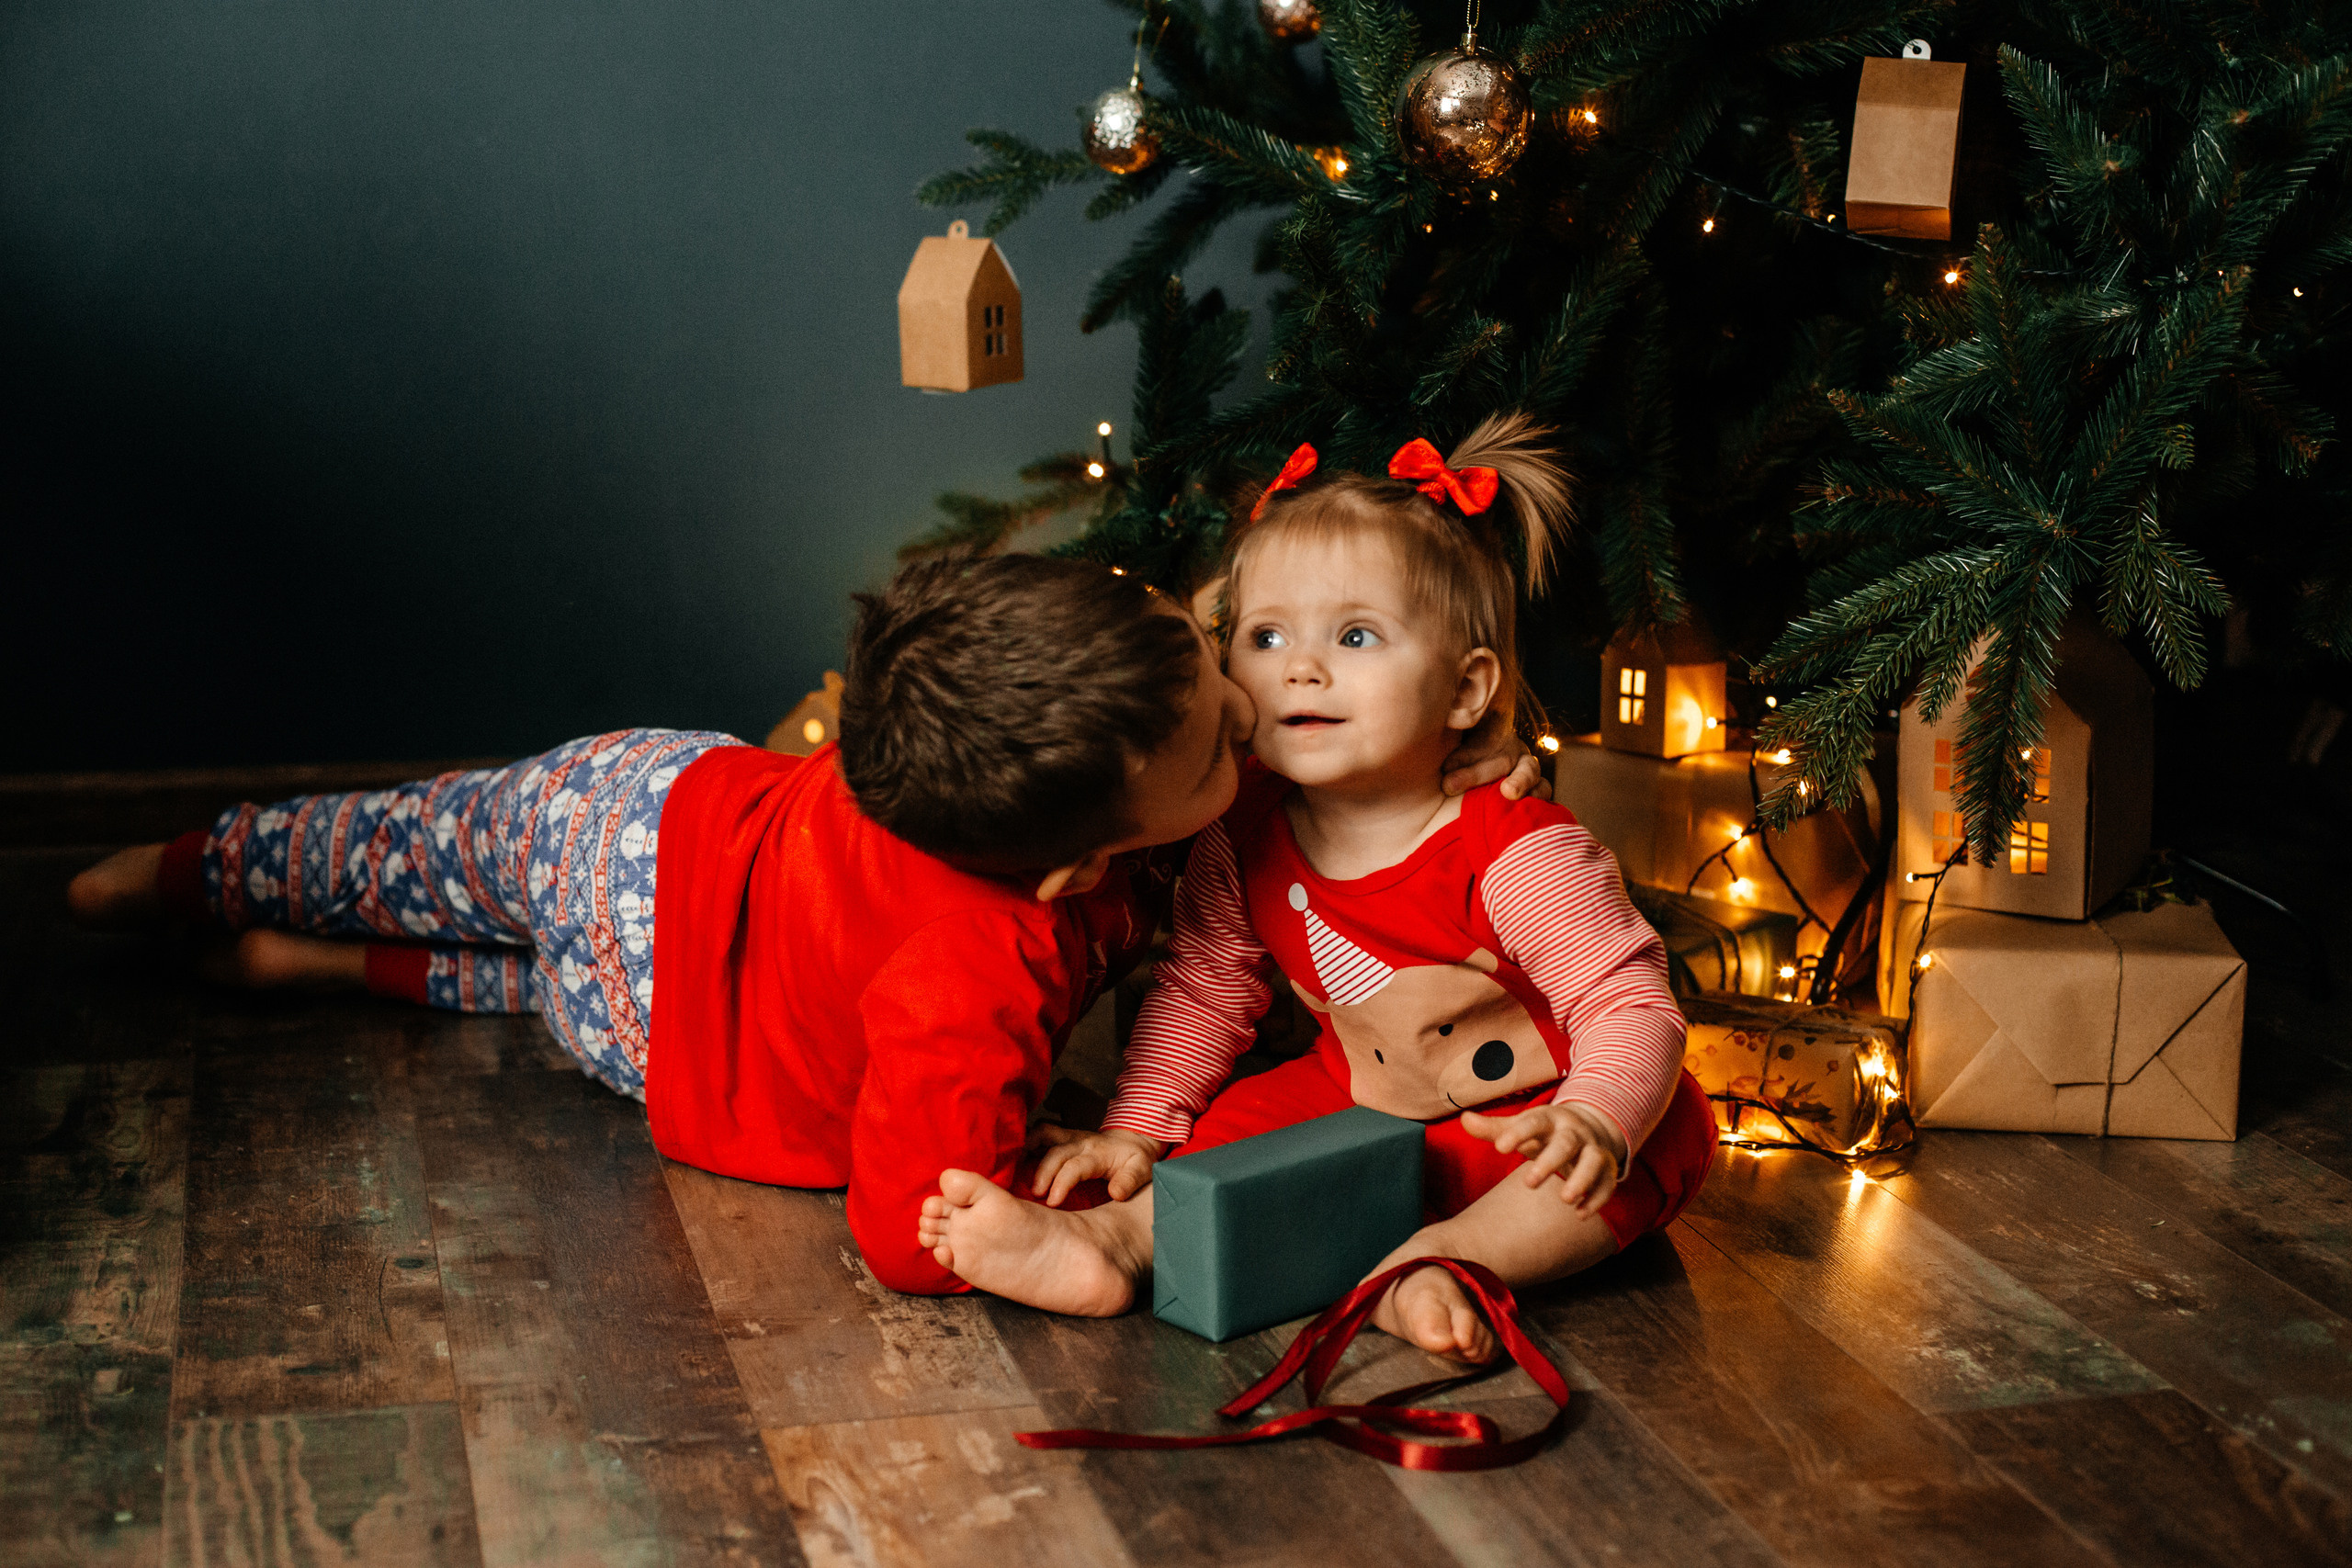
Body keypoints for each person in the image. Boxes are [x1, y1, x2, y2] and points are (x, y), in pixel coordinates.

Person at [67, 551, 1537, 1293]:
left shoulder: (978, 742)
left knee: (399, 838)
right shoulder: (989, 958)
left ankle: (201, 872)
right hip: (647, 1017)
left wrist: (1450, 782)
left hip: (644, 818)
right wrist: (1023, 1228)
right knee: (502, 965)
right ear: (1073, 877)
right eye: (1226, 730)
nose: (1254, 706)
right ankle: (280, 931)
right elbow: (910, 1226)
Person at [918, 414, 1715, 1358]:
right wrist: (1136, 1132)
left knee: (1652, 1144)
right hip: (1353, 1102)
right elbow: (1208, 986)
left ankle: (1451, 1261)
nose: (1300, 666)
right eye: (1265, 635)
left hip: (1524, 1124)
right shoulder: (1245, 824)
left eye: (1356, 635)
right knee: (1248, 1119)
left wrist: (1594, 1115)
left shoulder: (1514, 849)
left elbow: (1628, 1001)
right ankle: (1117, 1244)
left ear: (1465, 693)